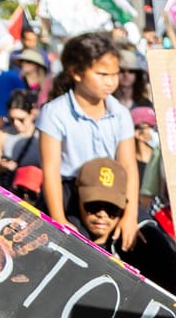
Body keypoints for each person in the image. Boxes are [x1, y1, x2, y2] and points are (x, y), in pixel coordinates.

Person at [36, 31, 136, 240]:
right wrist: (59, 220)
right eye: (102, 75)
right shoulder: (54, 112)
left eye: (114, 74)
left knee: (152, 240)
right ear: (76, 73)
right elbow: (51, 170)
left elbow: (128, 166)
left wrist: (130, 215)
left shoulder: (120, 114)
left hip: (111, 191)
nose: (111, 82)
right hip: (69, 195)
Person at [70, 156, 132, 253]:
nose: (102, 214)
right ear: (78, 198)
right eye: (94, 205)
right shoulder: (60, 236)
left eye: (112, 208)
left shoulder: (134, 254)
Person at [0, 90, 39, 184]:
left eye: (21, 120)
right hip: (11, 189)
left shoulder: (42, 135)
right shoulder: (2, 134)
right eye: (11, 119)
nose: (16, 124)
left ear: (32, 114)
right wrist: (1, 166)